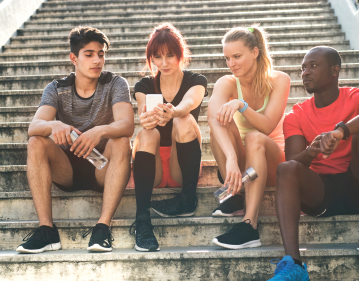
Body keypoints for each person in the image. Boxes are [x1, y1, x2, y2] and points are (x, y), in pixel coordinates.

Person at [262, 46, 359, 281]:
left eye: (313, 65)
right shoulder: (297, 114)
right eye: (303, 67)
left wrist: (341, 131)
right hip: (321, 194)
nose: (305, 72)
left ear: (335, 71)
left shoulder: (357, 96)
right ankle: (294, 264)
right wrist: (311, 152)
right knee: (286, 168)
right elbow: (291, 164)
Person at [16, 26, 133, 254]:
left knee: (121, 140)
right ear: (74, 58)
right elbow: (34, 127)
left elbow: (127, 124)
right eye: (89, 55)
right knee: (36, 141)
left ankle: (102, 228)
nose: (97, 60)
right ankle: (47, 231)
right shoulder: (57, 88)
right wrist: (54, 124)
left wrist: (100, 131)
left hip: (102, 166)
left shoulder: (115, 83)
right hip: (66, 168)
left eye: (101, 54)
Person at [207, 25, 290, 249]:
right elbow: (213, 119)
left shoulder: (279, 80)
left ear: (254, 52)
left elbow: (267, 125)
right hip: (242, 165)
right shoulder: (227, 82)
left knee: (254, 137)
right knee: (218, 122)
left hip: (270, 162)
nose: (231, 64)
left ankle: (249, 226)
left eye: (237, 56)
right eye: (227, 58)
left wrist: (241, 105)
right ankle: (233, 194)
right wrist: (232, 160)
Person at [132, 23, 207, 252]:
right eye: (157, 57)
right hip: (151, 166)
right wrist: (146, 118)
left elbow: (190, 102)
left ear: (180, 55)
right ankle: (142, 220)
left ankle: (188, 199)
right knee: (147, 132)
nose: (163, 63)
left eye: (170, 56)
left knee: (184, 119)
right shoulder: (144, 84)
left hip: (182, 163)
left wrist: (174, 112)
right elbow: (143, 110)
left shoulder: (196, 80)